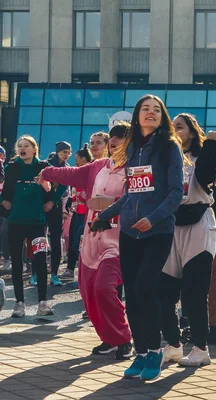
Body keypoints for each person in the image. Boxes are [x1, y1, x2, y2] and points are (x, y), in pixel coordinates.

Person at [95, 95, 184, 381]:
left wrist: (154, 217)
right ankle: (142, 353)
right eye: (146, 109)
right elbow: (132, 193)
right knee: (132, 294)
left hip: (157, 231)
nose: (151, 113)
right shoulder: (132, 147)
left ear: (162, 117)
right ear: (137, 115)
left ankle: (156, 351)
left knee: (147, 287)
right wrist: (105, 215)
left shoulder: (169, 147)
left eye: (157, 110)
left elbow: (175, 193)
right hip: (129, 232)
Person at [39, 122, 133, 360]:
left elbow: (139, 200)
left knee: (104, 288)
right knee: (89, 291)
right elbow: (71, 174)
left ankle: (123, 338)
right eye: (112, 137)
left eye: (121, 137)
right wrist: (47, 171)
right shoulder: (99, 166)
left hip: (119, 241)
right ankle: (109, 338)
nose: (114, 140)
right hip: (91, 240)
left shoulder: (136, 169)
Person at [159, 113, 216, 368]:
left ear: (193, 132)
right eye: (172, 127)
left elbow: (207, 177)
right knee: (164, 292)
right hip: (170, 226)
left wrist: (211, 146)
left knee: (194, 293)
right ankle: (174, 344)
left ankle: (200, 348)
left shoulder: (202, 156)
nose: (175, 130)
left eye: (180, 127)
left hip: (198, 224)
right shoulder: (165, 159)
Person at [3, 136, 55, 317]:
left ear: (34, 149)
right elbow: (5, 191)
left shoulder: (43, 167)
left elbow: (53, 189)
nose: (22, 149)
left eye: (26, 146)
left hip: (37, 222)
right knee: (17, 263)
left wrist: (50, 200)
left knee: (40, 262)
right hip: (16, 221)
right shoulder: (11, 167)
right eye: (19, 147)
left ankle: (43, 302)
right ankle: (19, 303)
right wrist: (5, 201)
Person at [59, 144, 93, 279]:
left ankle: (84, 273)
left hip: (88, 214)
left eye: (77, 159)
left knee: (83, 243)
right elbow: (72, 195)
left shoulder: (93, 172)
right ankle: (70, 270)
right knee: (73, 240)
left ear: (84, 159)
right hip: (77, 213)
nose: (75, 162)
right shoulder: (77, 173)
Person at [42, 141, 71, 287]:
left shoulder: (67, 169)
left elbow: (62, 189)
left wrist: (52, 202)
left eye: (68, 152)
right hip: (40, 205)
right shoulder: (45, 164)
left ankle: (54, 273)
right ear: (58, 151)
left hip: (56, 206)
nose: (66, 154)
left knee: (55, 239)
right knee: (39, 239)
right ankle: (36, 273)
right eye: (64, 151)